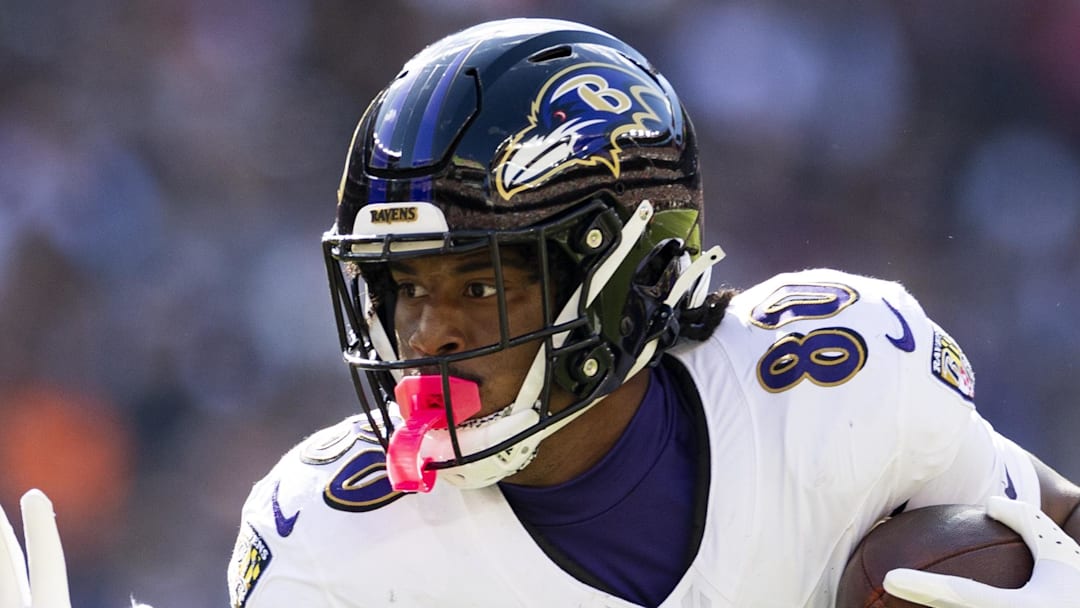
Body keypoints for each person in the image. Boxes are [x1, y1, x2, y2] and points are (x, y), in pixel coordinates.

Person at [222, 17, 1080, 608]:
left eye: (479, 287)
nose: (424, 334)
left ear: (631, 272)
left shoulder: (835, 388)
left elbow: (1056, 522)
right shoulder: (329, 544)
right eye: (406, 287)